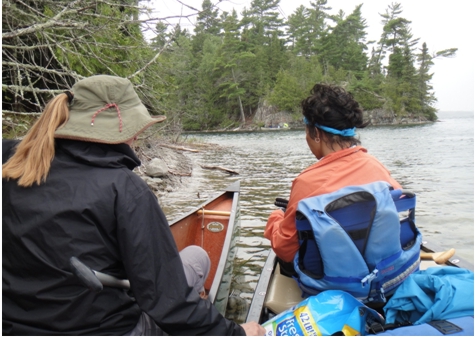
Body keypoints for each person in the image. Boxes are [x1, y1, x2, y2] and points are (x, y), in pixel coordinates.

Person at [2, 75, 264, 336]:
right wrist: (237, 333)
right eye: (136, 130)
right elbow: (169, 304)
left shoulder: (11, 165)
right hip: (106, 330)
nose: (138, 136)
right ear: (121, 129)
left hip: (15, 327)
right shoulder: (124, 189)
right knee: (197, 257)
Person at [264, 84, 402, 271]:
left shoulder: (307, 182)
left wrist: (276, 219)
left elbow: (285, 249)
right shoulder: (377, 167)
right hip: (379, 271)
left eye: (306, 131)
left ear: (317, 134)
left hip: (332, 281)